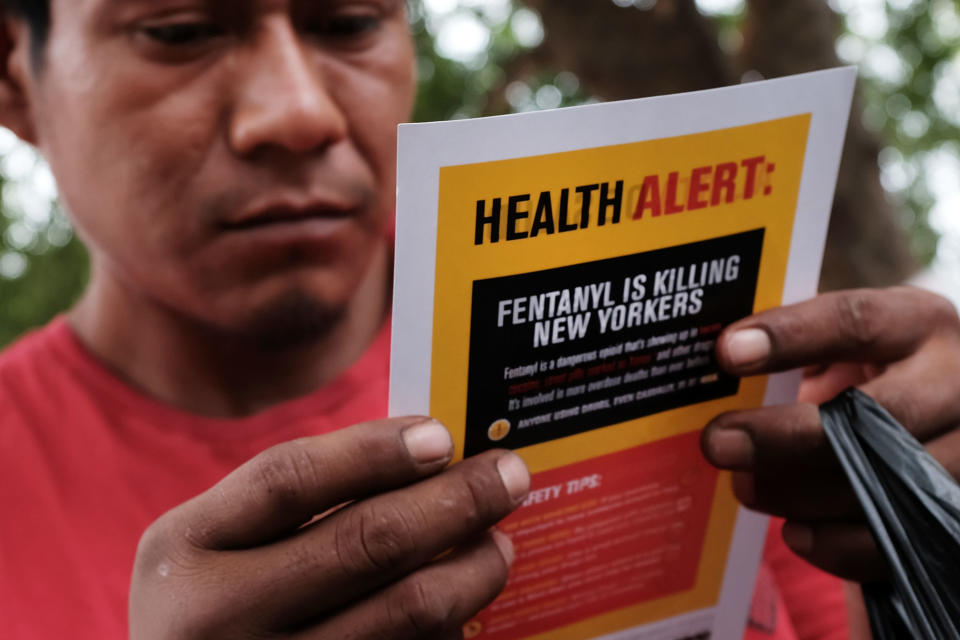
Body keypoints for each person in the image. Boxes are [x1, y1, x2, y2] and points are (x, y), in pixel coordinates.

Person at [0, 0, 958, 638]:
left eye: (347, 22)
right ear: (14, 76)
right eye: (180, 30)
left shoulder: (700, 343)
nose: (294, 113)